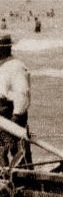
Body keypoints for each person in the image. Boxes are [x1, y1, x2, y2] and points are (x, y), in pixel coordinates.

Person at [0, 34, 31, 165]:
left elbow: (23, 94)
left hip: (11, 115)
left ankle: (25, 180)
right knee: (2, 155)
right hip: (2, 115)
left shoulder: (16, 66)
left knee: (18, 153)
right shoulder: (2, 65)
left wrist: (15, 120)